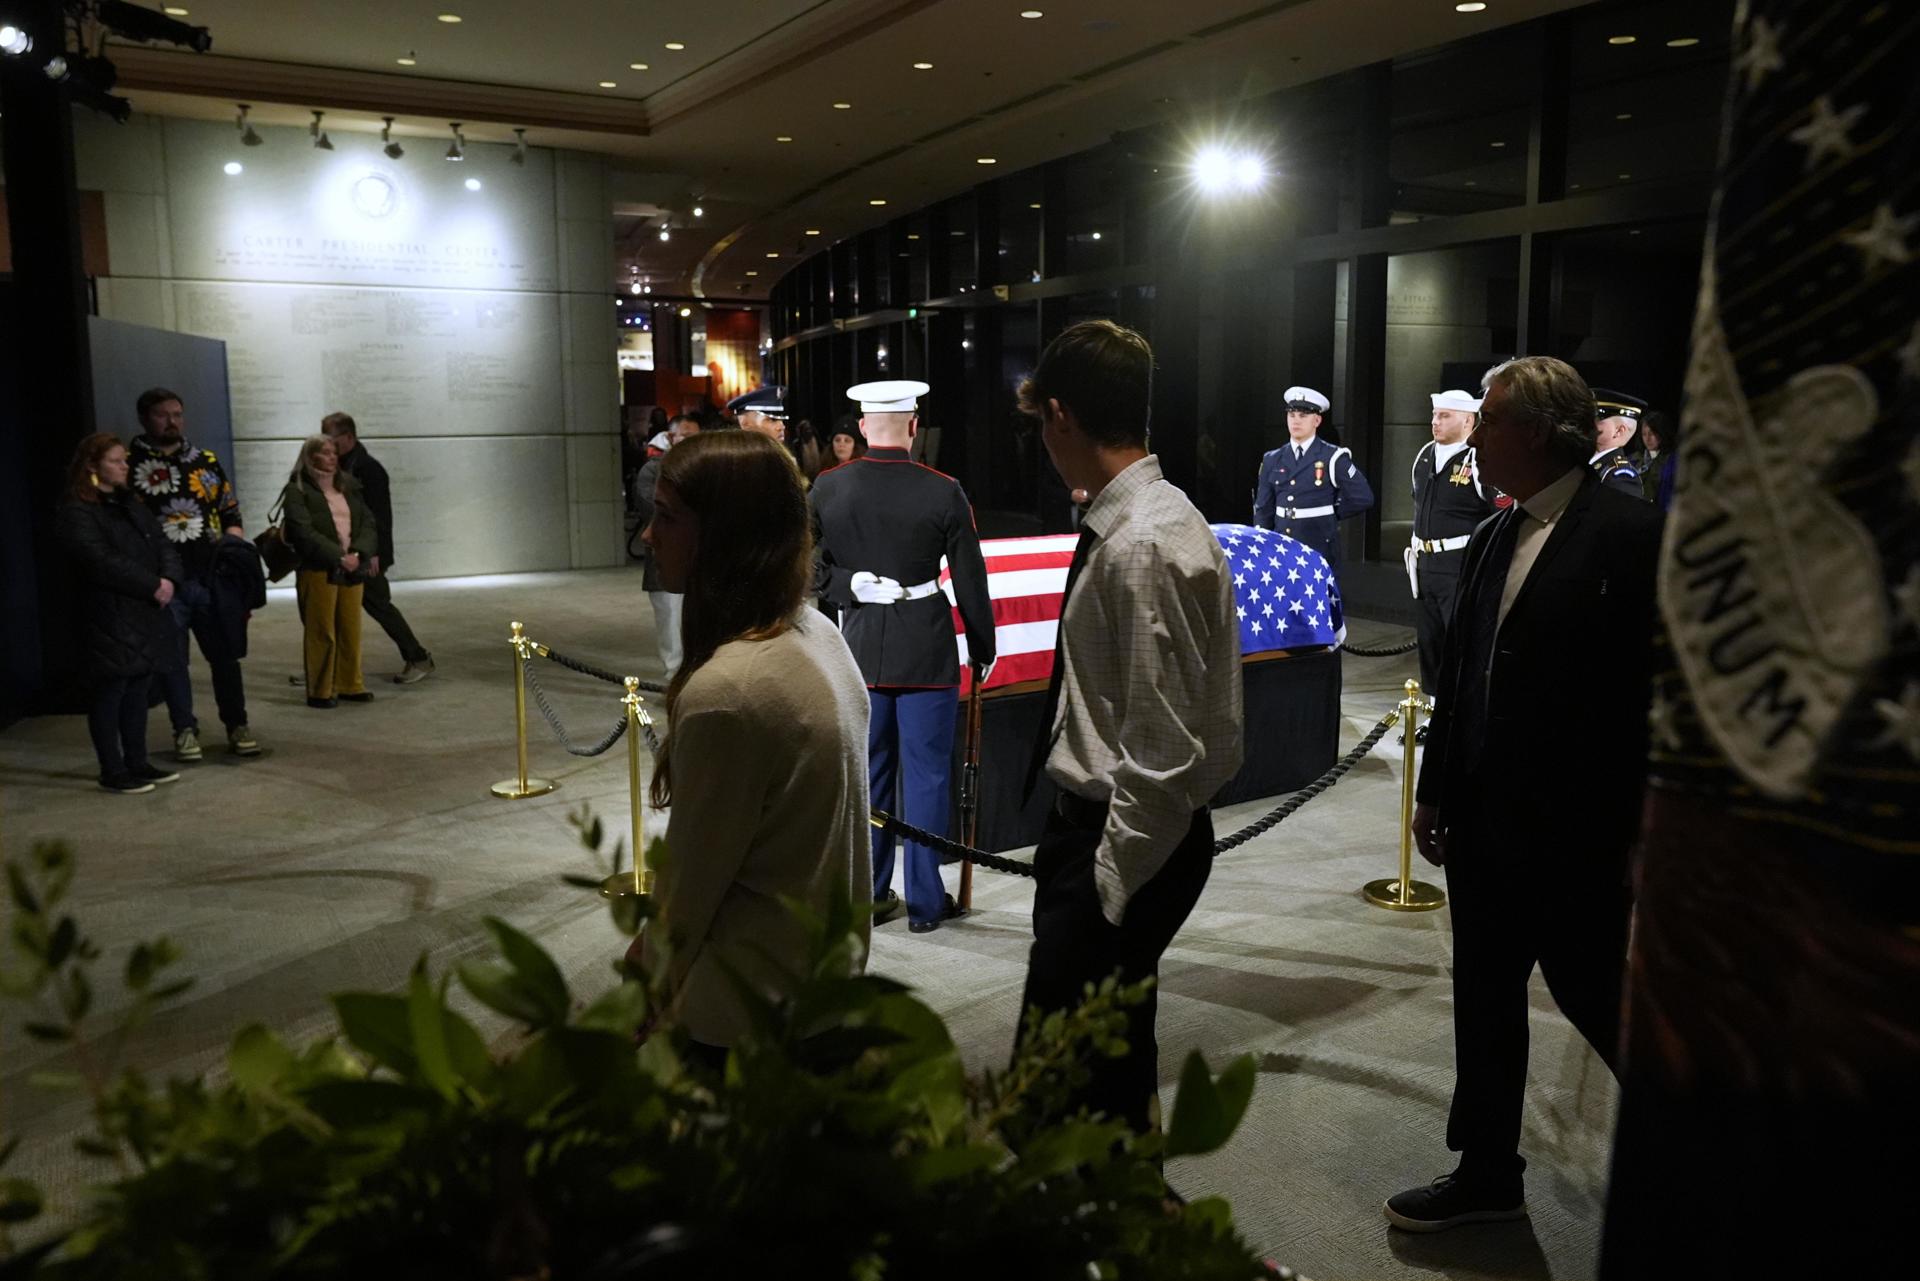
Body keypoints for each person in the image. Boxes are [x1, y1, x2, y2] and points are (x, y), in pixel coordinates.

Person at [1387, 355, 1663, 1233]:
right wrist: (1434, 793)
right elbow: (1464, 679)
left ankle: (1694, 1157)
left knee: (1594, 993)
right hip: (1485, 820)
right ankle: (1487, 1169)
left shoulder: (1631, 534)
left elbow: (1654, 701)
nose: (1476, 437)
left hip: (1577, 828)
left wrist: (1644, 831)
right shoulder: (1493, 536)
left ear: (1539, 434)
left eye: (1492, 419)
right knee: (1487, 996)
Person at [1014, 320, 1244, 1135]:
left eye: (1040, 421)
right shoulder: (1145, 518)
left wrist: (1105, 890)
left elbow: (1165, 750)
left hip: (1119, 845)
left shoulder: (1140, 541)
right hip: (1121, 839)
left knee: (1060, 1092)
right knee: (1110, 1069)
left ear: (1062, 416)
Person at [636, 429, 872, 1062]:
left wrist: (636, 1000)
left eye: (666, 518)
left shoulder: (731, 690)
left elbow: (687, 892)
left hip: (744, 1018)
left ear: (725, 533)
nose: (648, 537)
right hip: (822, 991)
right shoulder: (817, 632)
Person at [812, 379, 996, 934]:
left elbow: (802, 565)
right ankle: (924, 903)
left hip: (860, 651)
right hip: (926, 652)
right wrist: (983, 645)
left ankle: (870, 893)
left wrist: (847, 584)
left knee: (872, 777)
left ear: (864, 427)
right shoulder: (943, 490)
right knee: (927, 780)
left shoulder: (827, 487)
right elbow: (969, 579)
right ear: (914, 427)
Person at [125, 387, 261, 761]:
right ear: (144, 418)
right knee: (173, 663)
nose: (172, 421)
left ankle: (237, 724)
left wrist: (231, 551)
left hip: (210, 579)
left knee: (225, 657)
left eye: (178, 414)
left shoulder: (205, 460)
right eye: (162, 415)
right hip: (165, 583)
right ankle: (184, 729)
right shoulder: (130, 464)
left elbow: (230, 510)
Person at [55, 434, 185, 795]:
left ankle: (137, 762)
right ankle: (112, 769)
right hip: (108, 613)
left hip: (144, 611)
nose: (125, 466)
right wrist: (151, 585)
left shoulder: (132, 504)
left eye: (125, 460)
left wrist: (170, 580)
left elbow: (162, 544)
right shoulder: (77, 510)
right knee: (111, 691)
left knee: (138, 689)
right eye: (116, 461)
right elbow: (98, 560)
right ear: (92, 466)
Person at [1406, 389, 1506, 738]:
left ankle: (1463, 717)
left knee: (1459, 644)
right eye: (1435, 415)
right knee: (1430, 643)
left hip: (1459, 567)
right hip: (1424, 566)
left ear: (1468, 420)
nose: (1435, 422)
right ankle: (1436, 716)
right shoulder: (1423, 455)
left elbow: (1501, 515)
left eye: (1444, 416)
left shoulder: (1479, 460)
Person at [321, 413, 434, 683]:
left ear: (348, 437)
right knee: (332, 608)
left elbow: (380, 516)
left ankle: (418, 657)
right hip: (346, 551)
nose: (326, 443)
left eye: (330, 437)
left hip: (365, 553)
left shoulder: (369, 469)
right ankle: (323, 665)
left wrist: (372, 554)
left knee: (378, 605)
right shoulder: (341, 466)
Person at [279, 435, 378, 709]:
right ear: (311, 457)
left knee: (350, 628)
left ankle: (350, 684)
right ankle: (321, 690)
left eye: (334, 452)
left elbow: (368, 523)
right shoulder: (297, 490)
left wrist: (358, 554)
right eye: (325, 453)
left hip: (352, 567)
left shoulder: (348, 486)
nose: (332, 457)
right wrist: (338, 556)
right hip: (318, 568)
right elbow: (303, 531)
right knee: (321, 630)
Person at [1252, 385, 1375, 570]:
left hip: (1318, 547)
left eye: (1303, 416)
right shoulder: (1272, 459)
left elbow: (1362, 497)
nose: (1296, 421)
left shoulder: (1332, 457)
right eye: (1291, 415)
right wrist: (1261, 544)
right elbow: (1263, 508)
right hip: (1281, 548)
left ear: (1317, 420)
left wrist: (1331, 513)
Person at [633, 413, 701, 678]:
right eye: (684, 436)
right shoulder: (653, 469)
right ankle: (675, 677)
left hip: (700, 561)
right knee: (670, 623)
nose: (689, 442)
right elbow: (651, 508)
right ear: (672, 437)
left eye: (695, 437)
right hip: (666, 562)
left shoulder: (707, 469)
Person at [1589, 388, 1647, 497]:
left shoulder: (1621, 477)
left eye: (1597, 418)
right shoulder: (1591, 462)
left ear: (1619, 431)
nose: (1589, 423)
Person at [1637, 409, 1678, 511]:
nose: (1647, 438)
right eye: (1644, 434)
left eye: (1652, 433)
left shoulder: (1673, 462)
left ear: (1662, 433)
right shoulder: (1633, 459)